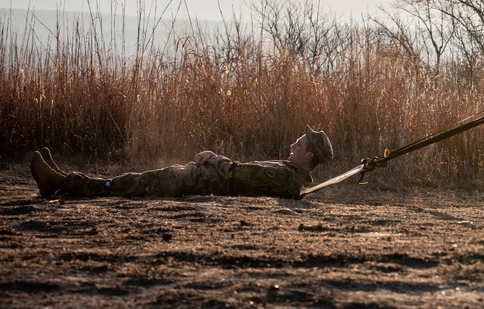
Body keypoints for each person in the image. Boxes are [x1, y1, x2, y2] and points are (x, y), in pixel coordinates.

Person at [29, 126, 334, 200]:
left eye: (300, 144)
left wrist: (214, 158)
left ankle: (62, 184)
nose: (294, 144)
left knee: (128, 184)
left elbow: (239, 174)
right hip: (193, 178)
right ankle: (66, 181)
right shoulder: (287, 172)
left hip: (191, 182)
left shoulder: (284, 177)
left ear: (309, 156)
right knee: (131, 181)